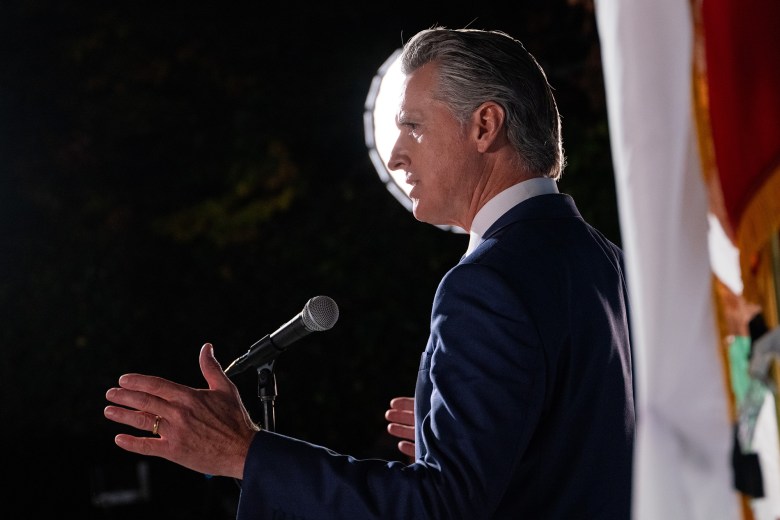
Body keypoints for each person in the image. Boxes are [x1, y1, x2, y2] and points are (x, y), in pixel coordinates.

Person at [104, 26, 635, 519]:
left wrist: (245, 453)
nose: (397, 153)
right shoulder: (604, 262)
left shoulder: (487, 283)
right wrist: (463, 437)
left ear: (485, 125)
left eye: (412, 126)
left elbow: (441, 507)